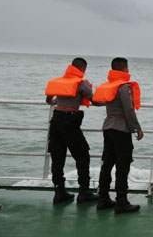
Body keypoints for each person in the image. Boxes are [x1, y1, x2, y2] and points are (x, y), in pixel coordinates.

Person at [44, 57, 100, 204]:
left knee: (58, 156)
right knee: (82, 155)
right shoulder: (82, 84)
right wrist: (111, 102)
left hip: (56, 119)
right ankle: (84, 192)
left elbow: (49, 100)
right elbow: (95, 100)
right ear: (82, 69)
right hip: (70, 120)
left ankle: (59, 192)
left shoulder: (59, 81)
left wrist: (56, 102)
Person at [92, 57, 144, 214]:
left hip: (108, 127)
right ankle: (121, 202)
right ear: (124, 69)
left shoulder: (109, 86)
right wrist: (137, 128)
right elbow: (128, 110)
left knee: (107, 164)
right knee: (123, 166)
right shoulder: (123, 87)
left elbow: (97, 101)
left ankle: (103, 198)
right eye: (127, 69)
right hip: (121, 130)